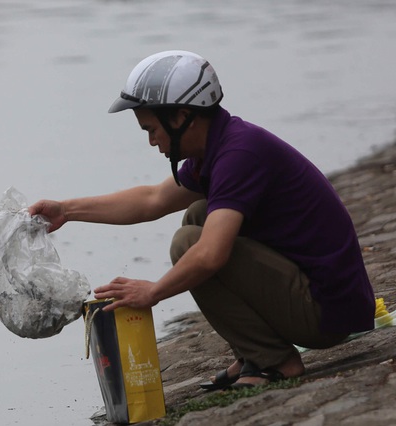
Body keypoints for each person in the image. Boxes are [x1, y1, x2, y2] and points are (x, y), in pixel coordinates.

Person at [28, 50, 375, 389]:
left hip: (326, 312)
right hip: (319, 300)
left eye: (152, 129)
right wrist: (67, 210)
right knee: (198, 214)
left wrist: (154, 292)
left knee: (190, 243)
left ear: (181, 117)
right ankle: (252, 353)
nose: (151, 141)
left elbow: (211, 255)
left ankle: (276, 361)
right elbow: (152, 200)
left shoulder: (239, 154)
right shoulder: (220, 146)